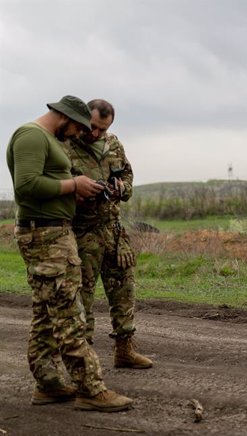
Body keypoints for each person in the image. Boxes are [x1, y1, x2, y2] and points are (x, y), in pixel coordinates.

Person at [6, 95, 133, 411]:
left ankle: (48, 383)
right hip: (45, 234)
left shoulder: (45, 138)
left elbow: (42, 182)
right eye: (79, 128)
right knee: (69, 310)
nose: (80, 135)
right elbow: (25, 186)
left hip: (54, 231)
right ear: (65, 117)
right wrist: (74, 184)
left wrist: (78, 187)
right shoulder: (31, 136)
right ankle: (89, 388)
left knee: (46, 311)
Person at [64, 99, 152, 369]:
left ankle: (124, 350)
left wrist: (120, 188)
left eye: (102, 129)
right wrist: (77, 193)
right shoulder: (65, 146)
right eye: (92, 127)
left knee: (124, 290)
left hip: (113, 231)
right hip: (82, 232)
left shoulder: (113, 144)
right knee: (83, 297)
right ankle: (84, 360)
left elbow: (127, 174)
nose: (95, 134)